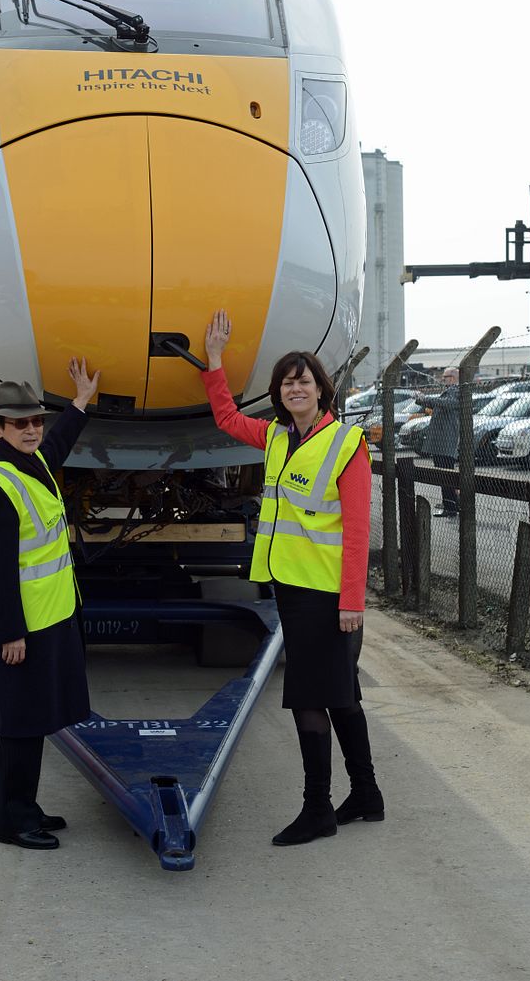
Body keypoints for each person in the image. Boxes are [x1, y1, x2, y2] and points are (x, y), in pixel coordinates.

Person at [202, 310, 384, 846]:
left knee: (309, 697)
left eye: (304, 380)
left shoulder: (346, 445)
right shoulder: (279, 438)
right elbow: (229, 422)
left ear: (322, 390)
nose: (295, 387)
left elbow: (356, 533)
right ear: (279, 395)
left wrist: (352, 603)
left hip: (328, 597)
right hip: (292, 586)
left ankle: (318, 808)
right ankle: (367, 795)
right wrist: (214, 363)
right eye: (287, 382)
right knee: (342, 693)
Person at [0, 358, 99, 851]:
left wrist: (81, 401)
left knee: (37, 719)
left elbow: (60, 443)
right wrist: (10, 634)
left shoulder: (33, 461)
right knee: (20, 725)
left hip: (52, 616)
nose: (31, 430)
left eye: (36, 421)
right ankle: (14, 822)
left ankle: (28, 807)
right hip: (25, 626)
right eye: (19, 423)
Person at [418, 367, 460, 517]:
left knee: (445, 476)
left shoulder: (457, 391)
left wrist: (427, 399)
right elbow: (439, 403)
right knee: (443, 475)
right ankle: (451, 504)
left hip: (446, 441)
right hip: (441, 441)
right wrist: (421, 399)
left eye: (445, 377)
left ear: (453, 377)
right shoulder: (450, 391)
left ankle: (451, 507)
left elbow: (447, 403)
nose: (443, 379)